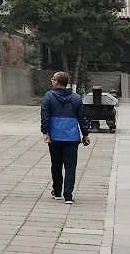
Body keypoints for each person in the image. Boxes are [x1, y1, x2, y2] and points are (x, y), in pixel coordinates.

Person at [41, 71, 91, 204]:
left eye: (53, 79)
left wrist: (45, 132)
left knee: (56, 165)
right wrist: (85, 134)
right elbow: (82, 118)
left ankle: (57, 191)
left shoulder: (48, 96)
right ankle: (68, 195)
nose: (51, 80)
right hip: (71, 137)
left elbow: (45, 116)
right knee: (70, 166)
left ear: (58, 82)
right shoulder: (76, 98)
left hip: (55, 137)